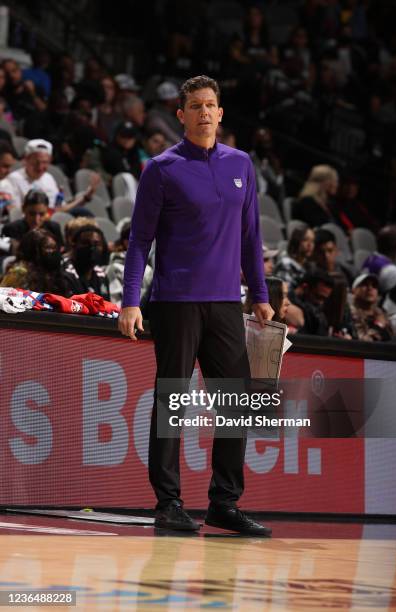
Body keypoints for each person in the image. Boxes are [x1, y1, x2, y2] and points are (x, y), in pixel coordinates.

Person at [118, 75, 273, 536]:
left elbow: (252, 239)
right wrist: (130, 302)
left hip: (226, 303)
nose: (204, 112)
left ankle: (224, 503)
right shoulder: (161, 169)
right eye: (195, 105)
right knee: (172, 402)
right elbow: (139, 241)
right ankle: (168, 503)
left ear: (221, 113)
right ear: (181, 114)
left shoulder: (241, 163)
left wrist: (260, 296)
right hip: (175, 302)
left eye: (211, 104)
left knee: (238, 404)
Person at [0, 228, 67, 294]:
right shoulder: (20, 271)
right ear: (33, 250)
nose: (52, 251)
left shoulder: (52, 269)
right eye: (48, 247)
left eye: (54, 247)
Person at [63, 224, 110, 299]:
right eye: (86, 243)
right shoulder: (65, 274)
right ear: (74, 245)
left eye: (96, 244)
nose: (92, 248)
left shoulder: (102, 275)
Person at [350, 273, 394, 342]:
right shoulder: (350, 313)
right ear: (354, 290)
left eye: (374, 286)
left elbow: (393, 338)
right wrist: (379, 325)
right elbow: (363, 343)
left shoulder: (381, 313)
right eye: (365, 284)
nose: (370, 288)